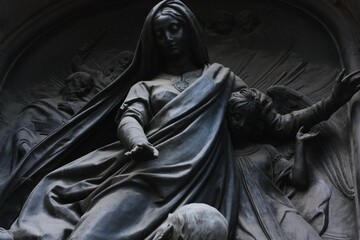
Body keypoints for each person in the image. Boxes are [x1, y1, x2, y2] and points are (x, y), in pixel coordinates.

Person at [0, 0, 359, 239]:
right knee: (92, 231)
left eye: (175, 29)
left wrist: (333, 101)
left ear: (189, 31)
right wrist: (136, 140)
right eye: (160, 33)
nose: (169, 38)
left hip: (206, 178)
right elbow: (130, 117)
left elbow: (278, 124)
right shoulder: (146, 84)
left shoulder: (221, 78)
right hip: (148, 171)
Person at [228, 88, 331, 239]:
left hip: (280, 212)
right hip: (244, 222)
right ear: (227, 115)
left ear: (255, 124)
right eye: (237, 117)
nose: (241, 124)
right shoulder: (220, 155)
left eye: (248, 121)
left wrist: (299, 145)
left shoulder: (266, 151)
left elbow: (299, 181)